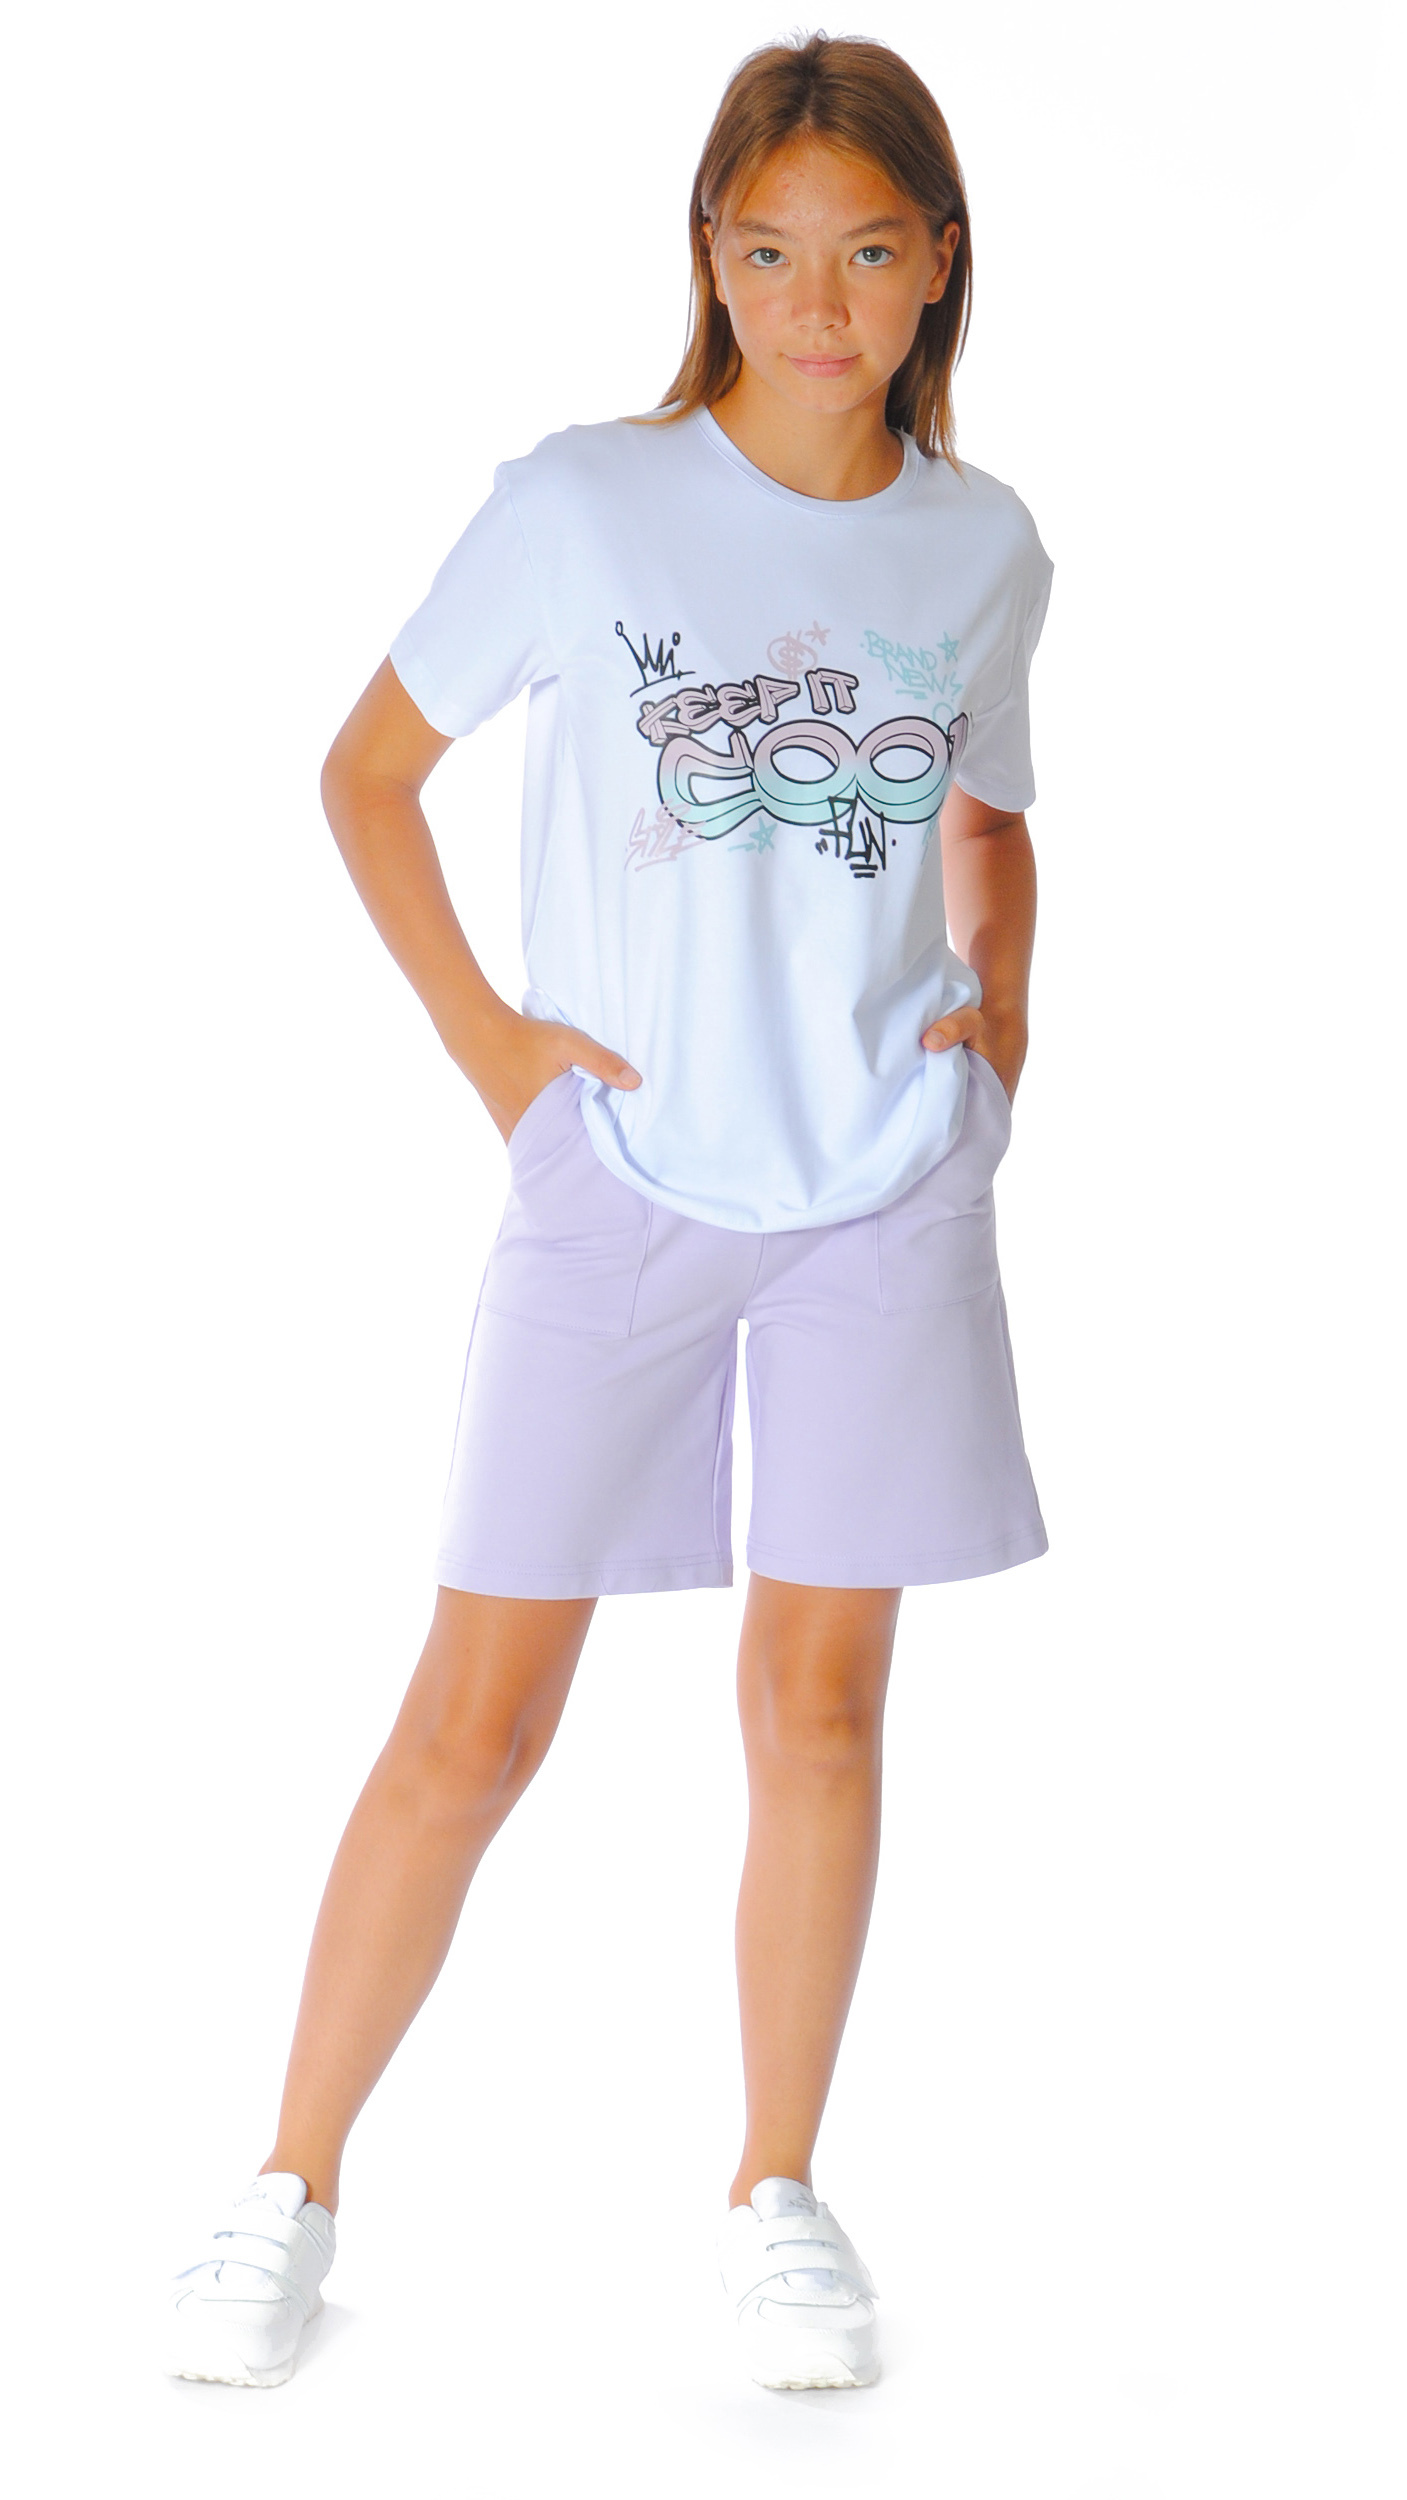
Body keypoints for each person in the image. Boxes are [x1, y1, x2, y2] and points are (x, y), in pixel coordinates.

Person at [163, 29, 1054, 2395]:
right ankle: (286, 2180)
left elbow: (986, 816)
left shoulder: (979, 546)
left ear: (935, 264)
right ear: (707, 259)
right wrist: (494, 1050)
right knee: (475, 1713)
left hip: (879, 1188)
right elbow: (365, 773)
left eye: (863, 252)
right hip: (621, 1177)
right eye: (765, 251)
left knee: (820, 1702)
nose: (813, 301)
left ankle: (775, 2185)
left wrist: (998, 1024)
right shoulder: (583, 504)